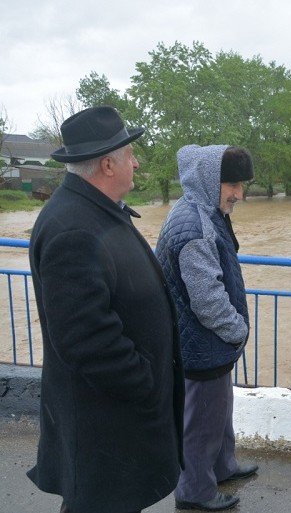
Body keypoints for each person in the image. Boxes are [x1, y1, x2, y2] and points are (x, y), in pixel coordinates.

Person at [27, 106, 184, 513]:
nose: (137, 161)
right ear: (109, 164)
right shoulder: (73, 229)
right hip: (106, 423)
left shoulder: (94, 209)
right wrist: (144, 383)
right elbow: (85, 338)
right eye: (131, 154)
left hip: (116, 418)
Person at [156, 144, 258, 512]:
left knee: (219, 408)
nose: (239, 194)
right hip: (203, 343)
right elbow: (207, 300)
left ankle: (223, 465)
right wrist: (237, 330)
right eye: (232, 184)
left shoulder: (201, 211)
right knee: (201, 420)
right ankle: (194, 491)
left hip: (205, 343)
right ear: (208, 179)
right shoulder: (196, 226)